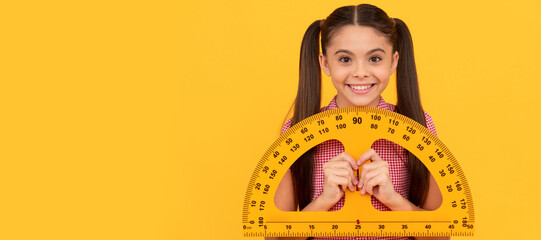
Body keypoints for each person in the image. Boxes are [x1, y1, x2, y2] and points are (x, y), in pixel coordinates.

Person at [269, 4, 448, 240]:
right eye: (345, 59)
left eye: (374, 58)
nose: (361, 72)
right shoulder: (297, 130)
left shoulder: (418, 126)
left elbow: (440, 235)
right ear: (324, 63)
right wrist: (325, 200)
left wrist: (393, 199)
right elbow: (276, 236)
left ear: (393, 62)